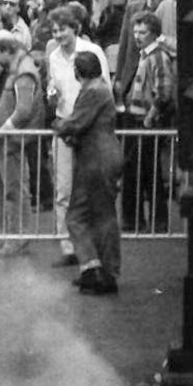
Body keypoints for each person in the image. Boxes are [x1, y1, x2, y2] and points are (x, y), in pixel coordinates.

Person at [45, 6, 110, 266]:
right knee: (63, 189)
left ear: (75, 28)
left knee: (90, 189)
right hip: (65, 124)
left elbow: (103, 87)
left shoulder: (92, 52)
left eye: (63, 29)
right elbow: (54, 86)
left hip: (90, 130)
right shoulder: (53, 57)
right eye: (54, 30)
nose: (58, 34)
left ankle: (91, 249)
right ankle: (68, 246)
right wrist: (51, 94)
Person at [54, 50, 122, 294]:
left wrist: (58, 124)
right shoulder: (100, 87)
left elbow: (75, 122)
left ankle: (103, 271)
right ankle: (94, 268)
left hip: (97, 159)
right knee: (88, 215)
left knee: (96, 217)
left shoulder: (93, 91)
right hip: (97, 156)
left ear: (77, 72)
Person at [0, 30, 42, 256]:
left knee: (13, 189)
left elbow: (24, 110)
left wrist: (5, 129)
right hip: (2, 138)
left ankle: (17, 237)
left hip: (11, 140)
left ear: (7, 50)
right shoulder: (13, 69)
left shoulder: (24, 73)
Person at [121, 8, 177, 233]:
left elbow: (163, 91)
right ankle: (143, 220)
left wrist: (150, 117)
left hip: (145, 121)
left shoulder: (157, 57)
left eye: (142, 32)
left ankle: (147, 221)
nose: (137, 36)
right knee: (141, 171)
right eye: (135, 32)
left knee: (145, 172)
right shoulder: (146, 55)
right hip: (138, 118)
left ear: (154, 33)